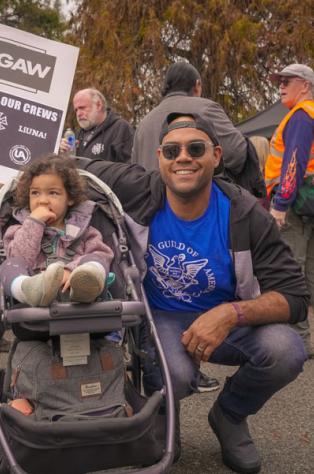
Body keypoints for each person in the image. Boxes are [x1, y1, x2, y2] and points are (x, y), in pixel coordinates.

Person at [75, 111, 308, 474]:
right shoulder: (137, 186)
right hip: (160, 317)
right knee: (175, 374)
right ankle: (165, 413)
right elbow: (71, 167)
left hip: (227, 318)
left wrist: (231, 314)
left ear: (216, 156)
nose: (183, 157)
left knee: (287, 350)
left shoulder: (245, 213)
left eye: (195, 148)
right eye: (172, 151)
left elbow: (295, 296)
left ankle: (229, 415)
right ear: (160, 158)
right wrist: (2, 179)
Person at [0, 154, 113, 309]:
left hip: (80, 299)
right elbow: (21, 259)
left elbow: (104, 256)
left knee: (97, 257)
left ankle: (85, 284)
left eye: (53, 193)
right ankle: (28, 290)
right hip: (36, 298)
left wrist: (71, 270)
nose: (43, 200)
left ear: (70, 198)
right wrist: (34, 223)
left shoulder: (86, 231)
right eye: (35, 193)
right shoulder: (18, 231)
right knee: (10, 264)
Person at [265, 63, 314, 359]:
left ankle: (298, 337)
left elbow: (293, 162)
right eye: (278, 81)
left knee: (292, 269)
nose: (280, 86)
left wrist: (280, 204)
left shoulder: (300, 115)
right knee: (309, 269)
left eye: (287, 81)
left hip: (296, 205)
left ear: (305, 85)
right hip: (310, 201)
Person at [131, 62, 247, 174]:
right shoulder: (206, 109)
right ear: (197, 85)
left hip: (150, 193)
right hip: (199, 192)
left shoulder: (143, 124)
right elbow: (237, 153)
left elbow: (135, 170)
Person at [59, 88, 134, 163]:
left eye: (82, 108)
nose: (78, 114)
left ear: (98, 105)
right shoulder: (77, 135)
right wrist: (63, 154)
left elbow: (130, 169)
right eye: (76, 110)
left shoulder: (120, 129)